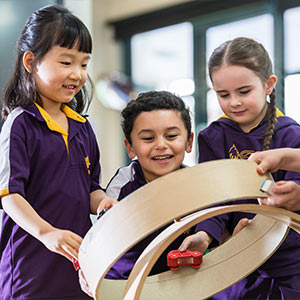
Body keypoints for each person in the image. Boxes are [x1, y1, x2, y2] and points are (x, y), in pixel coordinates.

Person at [0, 5, 115, 300]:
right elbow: (10, 195)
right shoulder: (20, 124)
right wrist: (47, 233)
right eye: (66, 62)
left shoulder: (83, 128)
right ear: (30, 61)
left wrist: (103, 202)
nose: (77, 74)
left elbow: (90, 188)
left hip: (74, 266)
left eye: (84, 64)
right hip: (29, 270)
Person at [179, 37, 300, 299]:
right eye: (224, 95)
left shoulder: (291, 135)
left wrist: (292, 194)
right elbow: (214, 200)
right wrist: (204, 235)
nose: (234, 102)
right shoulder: (212, 137)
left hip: (290, 261)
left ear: (269, 85)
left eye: (244, 92)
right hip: (238, 259)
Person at [104, 90, 195, 279]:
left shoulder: (196, 183)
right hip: (128, 284)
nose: (161, 145)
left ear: (189, 141)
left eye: (171, 136)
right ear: (130, 147)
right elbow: (104, 239)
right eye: (148, 138)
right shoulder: (123, 186)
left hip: (184, 283)